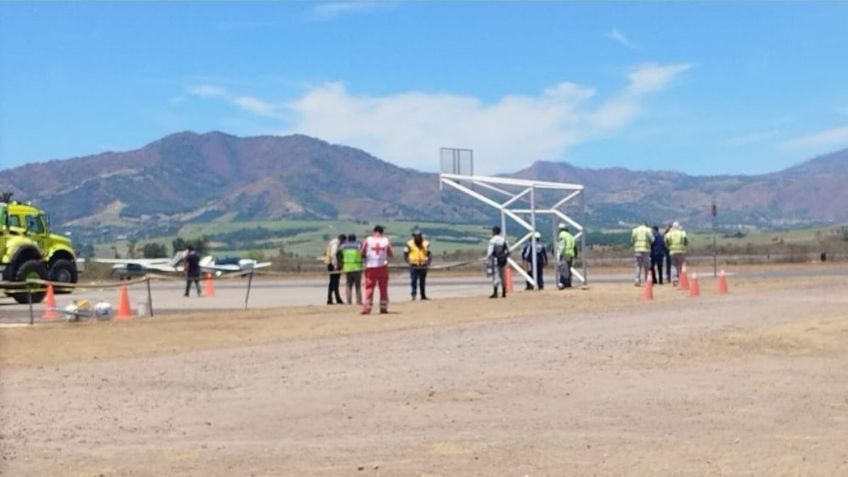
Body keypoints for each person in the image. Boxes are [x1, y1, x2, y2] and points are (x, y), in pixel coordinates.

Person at [360, 225, 393, 314]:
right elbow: (390, 253)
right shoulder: (386, 240)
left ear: (374, 231)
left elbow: (362, 252)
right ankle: (383, 307)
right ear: (382, 232)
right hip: (383, 266)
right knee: (383, 288)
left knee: (369, 287)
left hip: (371, 266)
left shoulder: (368, 240)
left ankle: (367, 308)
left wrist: (365, 256)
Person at [403, 228, 431, 300]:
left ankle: (423, 295)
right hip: (414, 265)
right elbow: (405, 254)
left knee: (422, 281)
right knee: (413, 280)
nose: (417, 237)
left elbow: (429, 254)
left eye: (418, 236)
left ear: (421, 236)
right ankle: (414, 295)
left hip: (423, 264)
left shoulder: (426, 243)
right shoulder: (409, 244)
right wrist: (408, 262)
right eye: (415, 236)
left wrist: (428, 263)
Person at [486, 225, 510, 298]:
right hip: (503, 260)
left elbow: (490, 252)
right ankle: (503, 293)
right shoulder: (504, 240)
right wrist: (505, 256)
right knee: (503, 276)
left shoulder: (492, 240)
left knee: (495, 276)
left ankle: (495, 292)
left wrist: (488, 259)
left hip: (495, 260)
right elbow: (509, 250)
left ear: (493, 232)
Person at [338, 233, 363, 305]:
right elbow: (363, 253)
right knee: (357, 285)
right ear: (355, 239)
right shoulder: (359, 245)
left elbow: (338, 254)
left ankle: (349, 301)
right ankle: (359, 301)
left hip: (347, 267)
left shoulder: (343, 246)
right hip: (357, 267)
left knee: (348, 285)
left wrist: (340, 263)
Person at [664, 221, 689, 286]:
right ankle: (681, 278)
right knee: (681, 265)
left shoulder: (669, 233)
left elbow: (666, 241)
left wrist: (669, 247)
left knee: (674, 265)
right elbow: (686, 241)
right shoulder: (682, 233)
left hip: (672, 251)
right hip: (681, 251)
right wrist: (684, 246)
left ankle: (675, 279)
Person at [324, 234, 345, 304]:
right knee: (334, 282)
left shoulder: (333, 243)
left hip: (332, 264)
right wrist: (336, 265)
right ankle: (331, 299)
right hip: (333, 265)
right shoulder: (335, 244)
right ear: (342, 240)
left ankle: (335, 298)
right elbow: (333, 254)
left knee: (334, 282)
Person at [631, 221, 654, 286]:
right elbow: (652, 239)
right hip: (646, 249)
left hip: (637, 249)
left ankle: (637, 280)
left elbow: (632, 240)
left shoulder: (635, 230)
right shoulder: (648, 230)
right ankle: (647, 280)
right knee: (646, 266)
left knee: (638, 265)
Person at [556, 223, 576, 289]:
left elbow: (562, 245)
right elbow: (574, 246)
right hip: (571, 254)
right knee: (568, 269)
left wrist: (559, 254)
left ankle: (563, 283)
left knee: (563, 269)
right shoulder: (570, 235)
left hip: (565, 253)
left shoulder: (562, 235)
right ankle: (568, 284)